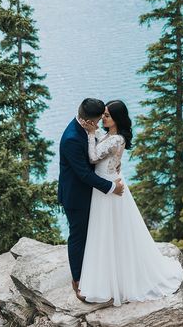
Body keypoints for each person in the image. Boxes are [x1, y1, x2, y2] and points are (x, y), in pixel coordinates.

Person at [78, 100, 183, 306]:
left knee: (110, 231)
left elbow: (93, 158)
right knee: (109, 232)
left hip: (109, 189)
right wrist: (95, 132)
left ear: (116, 119)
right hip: (109, 183)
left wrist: (90, 134)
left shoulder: (116, 139)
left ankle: (116, 279)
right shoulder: (112, 136)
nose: (103, 118)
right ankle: (110, 274)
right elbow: (104, 144)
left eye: (107, 115)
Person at [58, 98, 124, 298]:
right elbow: (84, 174)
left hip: (90, 193)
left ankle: (95, 271)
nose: (101, 122)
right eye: (100, 119)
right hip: (76, 196)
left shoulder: (85, 129)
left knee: (92, 234)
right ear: (91, 120)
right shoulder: (71, 138)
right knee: (78, 237)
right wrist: (112, 187)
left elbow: (96, 153)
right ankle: (77, 280)